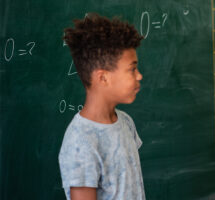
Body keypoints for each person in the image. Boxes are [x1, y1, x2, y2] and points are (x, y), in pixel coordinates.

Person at [58, 13, 145, 200]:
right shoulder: (80, 141)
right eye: (132, 69)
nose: (139, 76)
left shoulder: (126, 122)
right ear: (103, 77)